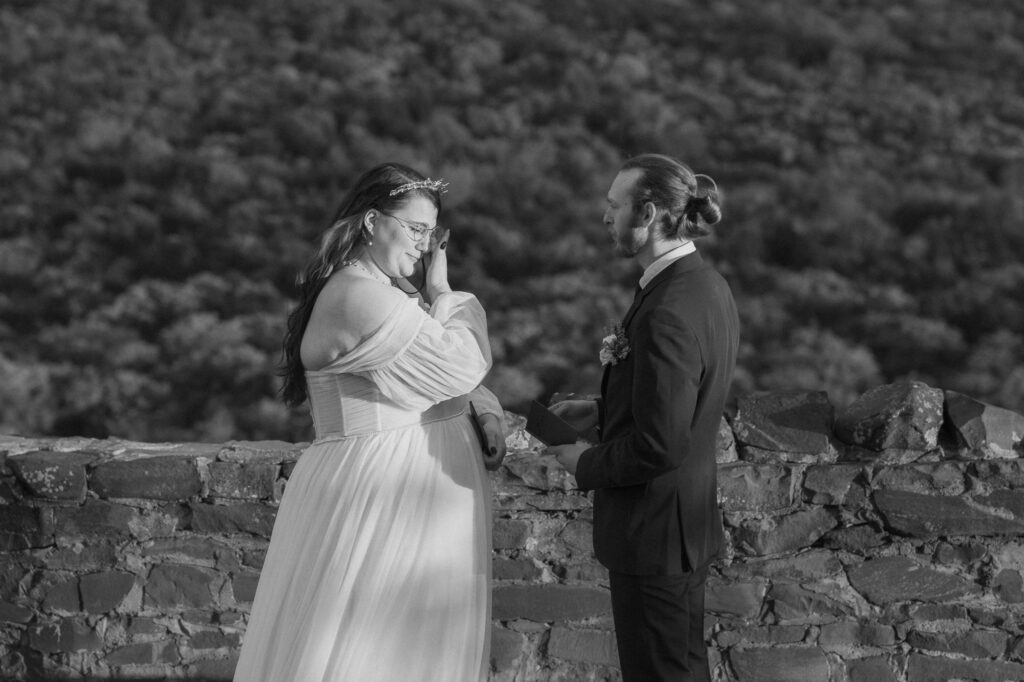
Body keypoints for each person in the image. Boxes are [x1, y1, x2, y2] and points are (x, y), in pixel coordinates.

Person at [233, 162, 506, 682]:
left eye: (432, 233)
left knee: (403, 650)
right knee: (368, 648)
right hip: (379, 494)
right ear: (373, 222)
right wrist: (445, 292)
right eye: (418, 229)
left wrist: (484, 408)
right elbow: (461, 362)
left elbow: (433, 379)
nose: (427, 246)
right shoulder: (361, 295)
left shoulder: (384, 289)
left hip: (409, 494)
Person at [547, 154, 739, 682]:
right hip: (684, 525)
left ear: (649, 212)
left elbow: (660, 444)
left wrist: (585, 463)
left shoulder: (668, 310)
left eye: (614, 206)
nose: (605, 216)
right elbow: (682, 400)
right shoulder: (705, 285)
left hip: (654, 535)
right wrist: (604, 408)